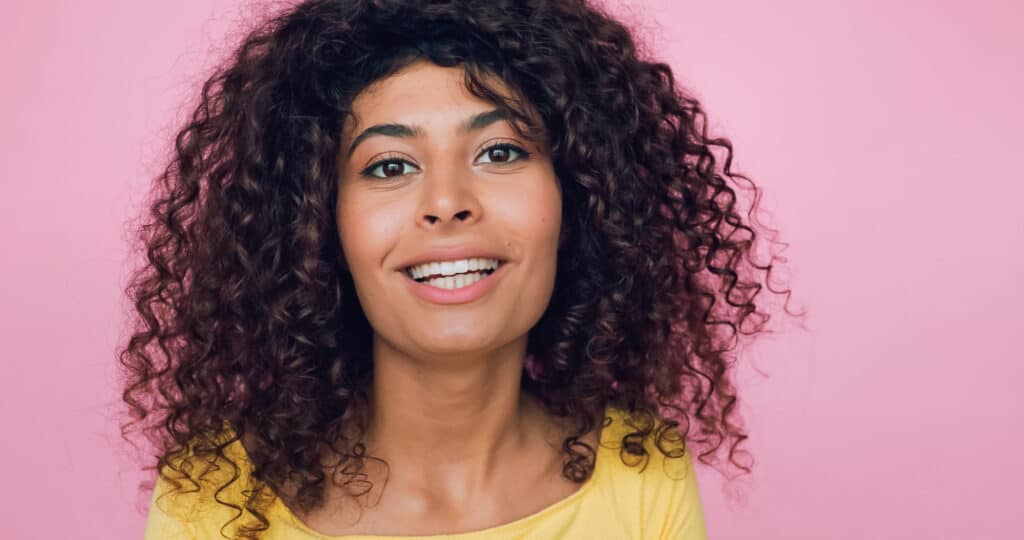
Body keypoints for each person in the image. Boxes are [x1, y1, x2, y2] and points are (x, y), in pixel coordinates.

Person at [120, 0, 794, 538]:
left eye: (499, 153)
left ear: (579, 201)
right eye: (389, 166)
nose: (446, 204)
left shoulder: (643, 473)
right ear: (320, 225)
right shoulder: (215, 501)